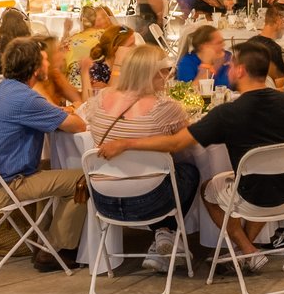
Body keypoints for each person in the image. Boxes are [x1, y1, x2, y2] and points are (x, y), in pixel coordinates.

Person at [105, 41, 284, 268]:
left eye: (232, 65)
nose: (228, 68)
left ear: (240, 70)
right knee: (260, 178)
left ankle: (247, 250)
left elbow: (176, 143)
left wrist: (126, 143)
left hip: (253, 197)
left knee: (209, 188)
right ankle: (248, 251)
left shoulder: (228, 113)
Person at [0, 36, 89, 271]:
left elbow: (39, 112)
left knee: (56, 167)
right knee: (84, 178)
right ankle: (56, 250)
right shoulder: (26, 99)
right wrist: (68, 113)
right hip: (1, 188)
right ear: (35, 68)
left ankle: (42, 240)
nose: (49, 65)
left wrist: (57, 111)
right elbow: (78, 126)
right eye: (45, 61)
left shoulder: (5, 89)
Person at [80, 44, 203, 269]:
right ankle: (166, 231)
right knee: (188, 171)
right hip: (148, 202)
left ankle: (163, 237)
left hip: (102, 200)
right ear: (154, 73)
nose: (168, 75)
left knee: (165, 171)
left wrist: (125, 143)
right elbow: (185, 140)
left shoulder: (97, 102)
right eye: (165, 69)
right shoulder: (164, 108)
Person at [173, 23, 228, 92]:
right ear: (204, 46)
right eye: (219, 43)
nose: (223, 45)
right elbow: (189, 93)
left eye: (223, 41)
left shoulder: (227, 58)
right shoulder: (187, 63)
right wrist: (207, 64)